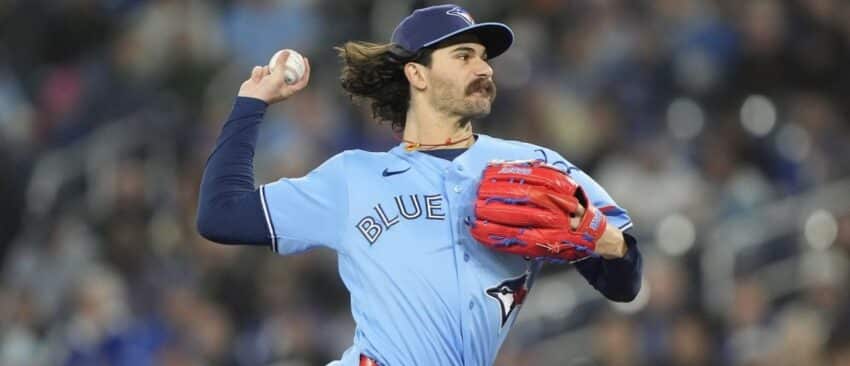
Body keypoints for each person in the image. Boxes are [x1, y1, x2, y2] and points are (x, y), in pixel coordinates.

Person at [197, 4, 642, 365]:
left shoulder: (534, 164)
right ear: (417, 74)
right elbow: (220, 215)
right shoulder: (352, 177)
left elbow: (624, 283)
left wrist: (605, 240)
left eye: (484, 57)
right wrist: (250, 104)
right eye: (464, 56)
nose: (484, 68)